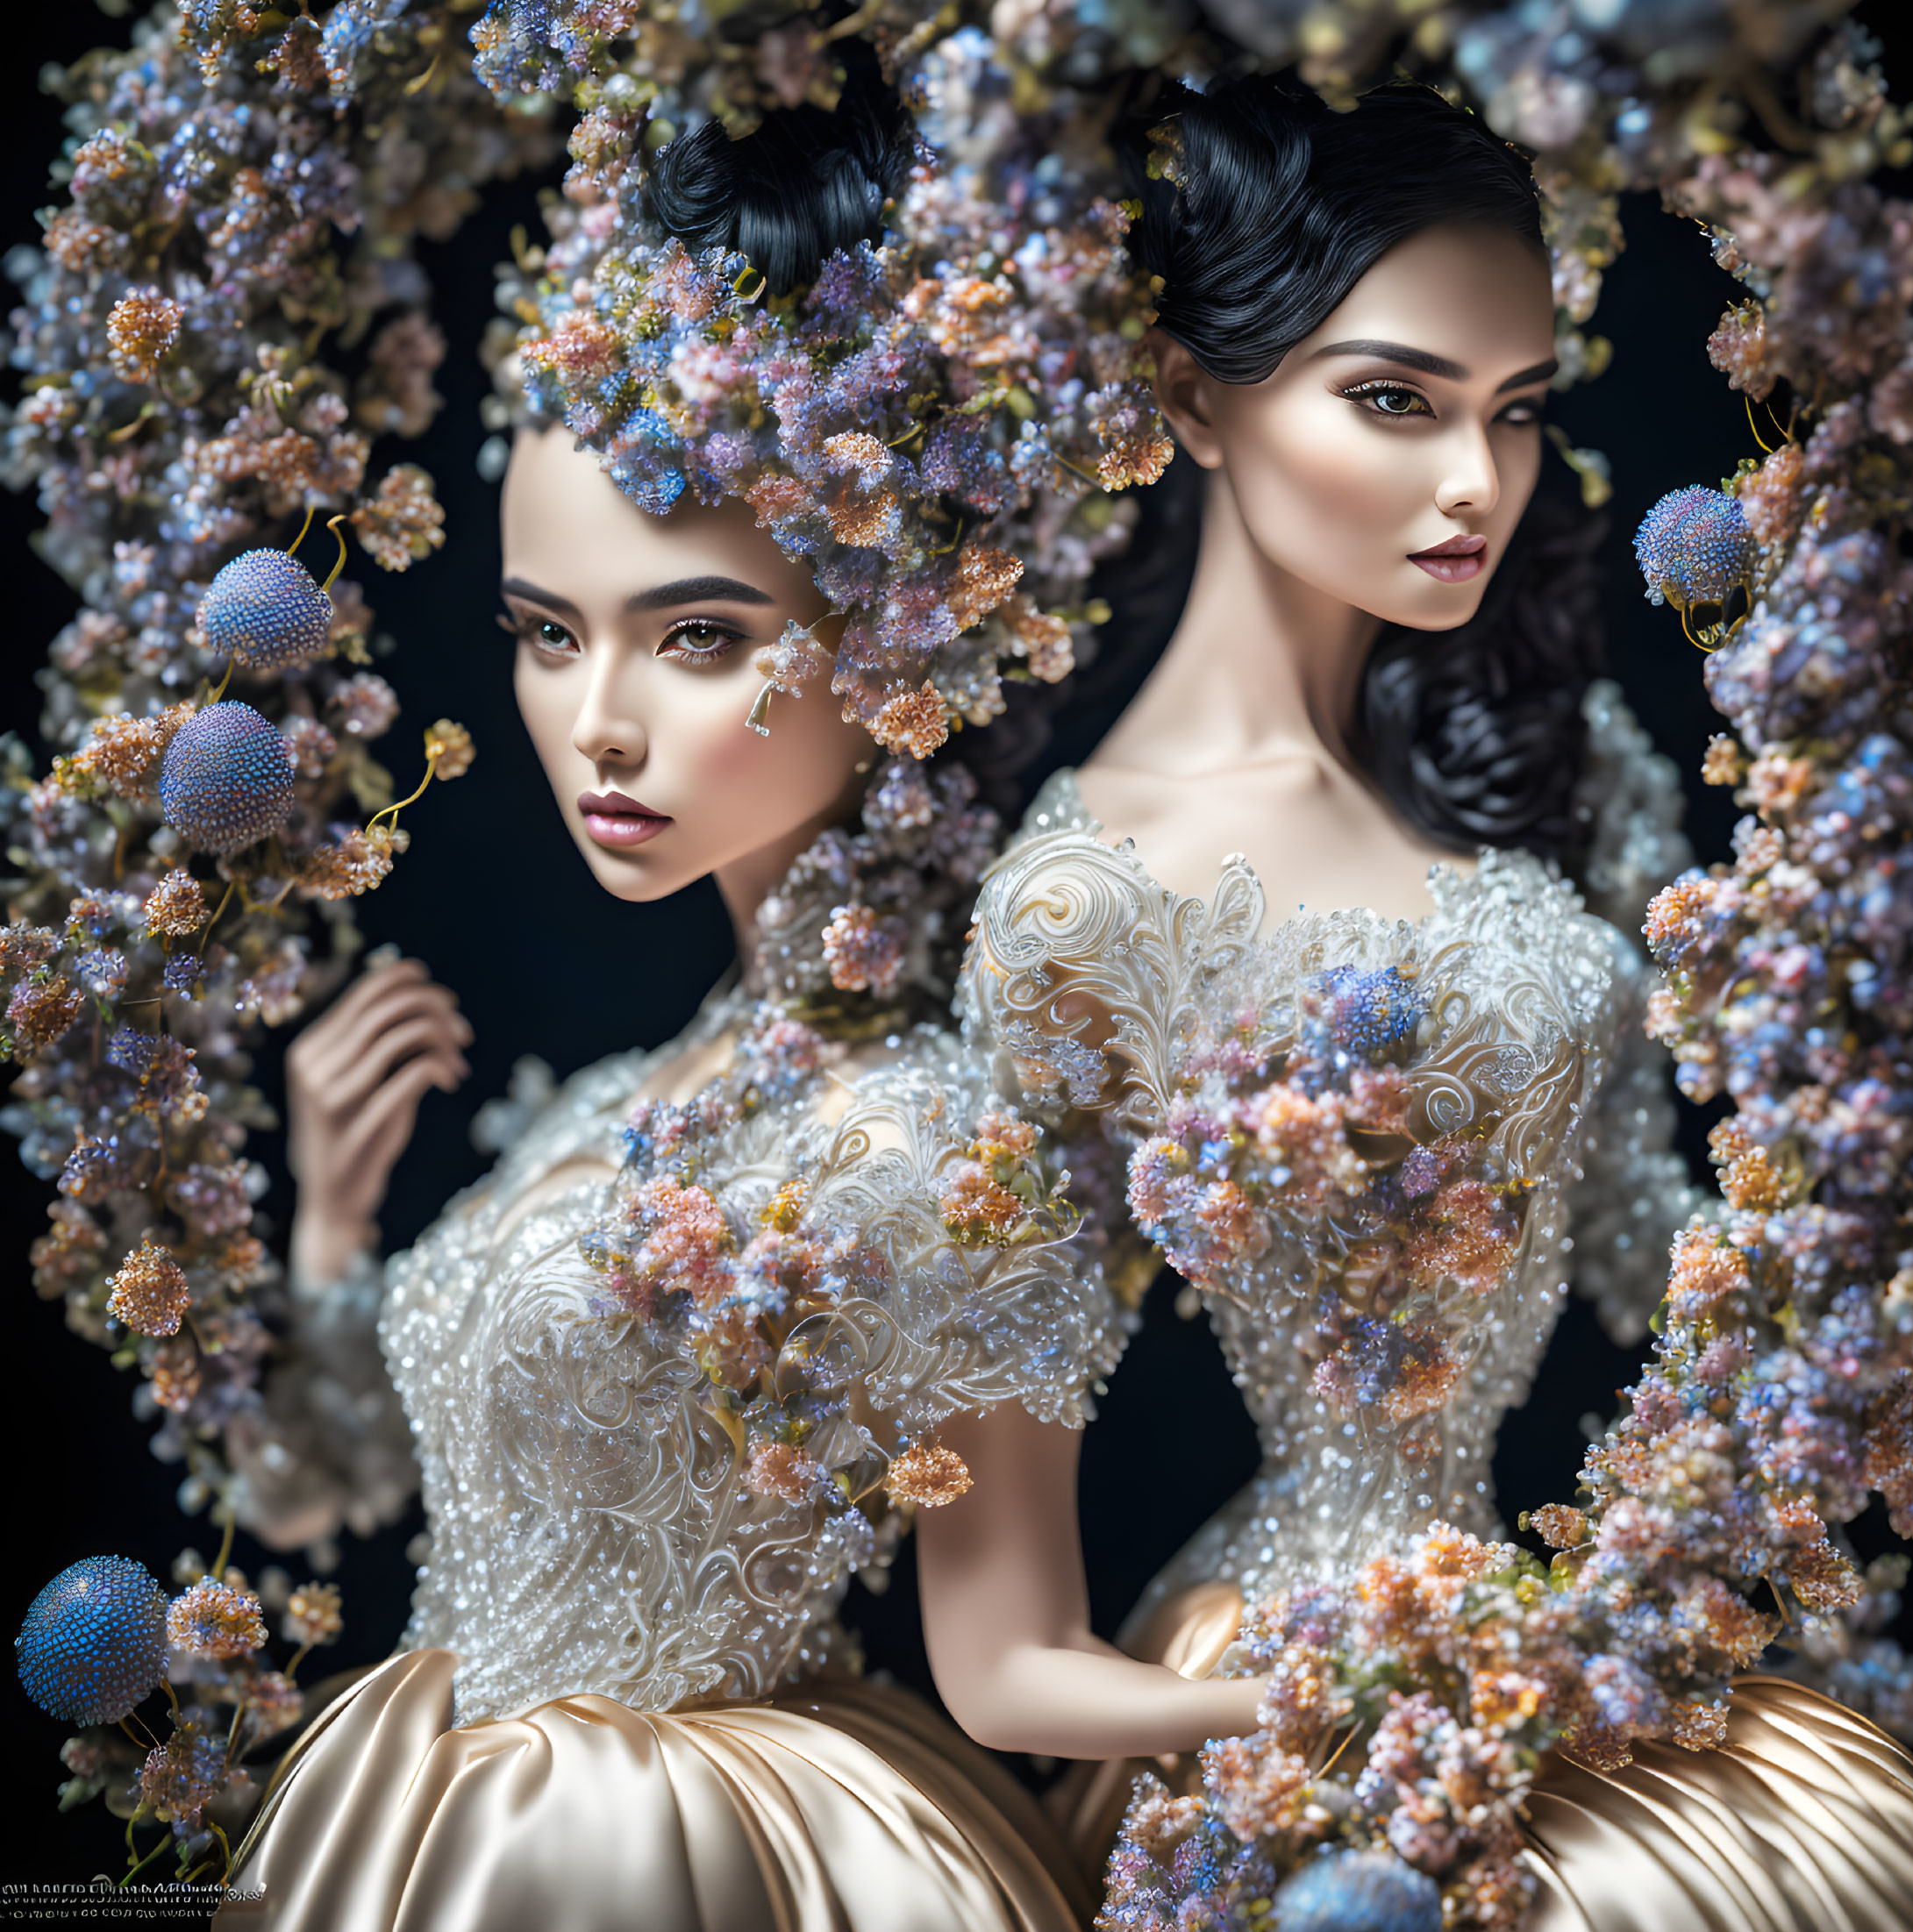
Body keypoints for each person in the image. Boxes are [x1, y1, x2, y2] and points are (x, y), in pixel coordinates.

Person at [215, 70, 1269, 1932]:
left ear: (903, 633)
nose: (598, 718)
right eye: (549, 634)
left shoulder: (935, 1133)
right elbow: (330, 1497)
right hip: (422, 1832)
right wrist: (325, 1224)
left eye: (696, 633)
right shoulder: (639, 1083)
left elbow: (1010, 1655)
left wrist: (1320, 1692)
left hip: (666, 1864)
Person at [952, 75, 1913, 1929]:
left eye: (1514, 414)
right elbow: (1003, 1651)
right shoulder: (1077, 905)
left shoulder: (1549, 757)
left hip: (1564, 1637)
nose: (1476, 486)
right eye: (1397, 400)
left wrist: (1823, 1305)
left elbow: (1635, 1233)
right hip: (1297, 1686)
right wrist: (1326, 1694)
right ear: (1192, 395)